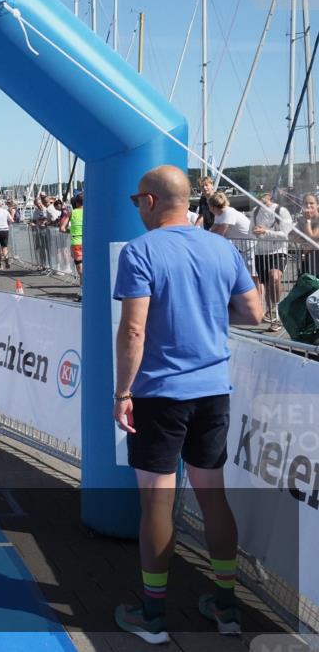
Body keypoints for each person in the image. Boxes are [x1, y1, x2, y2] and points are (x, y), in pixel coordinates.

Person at [112, 165, 262, 644]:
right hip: (213, 390)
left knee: (157, 500)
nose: (137, 208)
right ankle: (226, 607)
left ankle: (153, 616)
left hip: (160, 393)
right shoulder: (222, 247)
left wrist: (122, 392)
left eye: (137, 200)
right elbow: (254, 313)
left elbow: (133, 330)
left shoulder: (141, 251)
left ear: (151, 201)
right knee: (212, 496)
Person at [251, 191, 293, 324]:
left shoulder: (281, 210)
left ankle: (276, 309)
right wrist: (255, 232)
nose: (259, 197)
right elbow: (250, 232)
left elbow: (286, 233)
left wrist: (265, 232)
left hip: (278, 250)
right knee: (268, 286)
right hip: (261, 252)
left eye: (262, 195)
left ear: (269, 196)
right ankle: (272, 312)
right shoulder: (255, 211)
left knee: (274, 277)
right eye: (257, 195)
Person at [208, 191, 256, 289]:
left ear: (212, 207)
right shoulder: (218, 214)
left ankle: (258, 299)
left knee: (253, 276)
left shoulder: (228, 212)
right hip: (242, 247)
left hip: (252, 246)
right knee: (246, 275)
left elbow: (221, 234)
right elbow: (212, 230)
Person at [291, 193, 318, 277]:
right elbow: (291, 235)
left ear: (317, 205)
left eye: (311, 203)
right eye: (305, 203)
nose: (308, 205)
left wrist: (308, 220)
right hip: (306, 257)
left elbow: (312, 238)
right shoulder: (301, 219)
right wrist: (305, 243)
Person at [66, 193, 83, 296]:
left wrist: (72, 230)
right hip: (89, 242)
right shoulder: (91, 212)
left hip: (76, 242)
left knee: (80, 268)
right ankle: (84, 289)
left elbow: (62, 227)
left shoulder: (72, 213)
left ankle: (83, 289)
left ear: (76, 203)